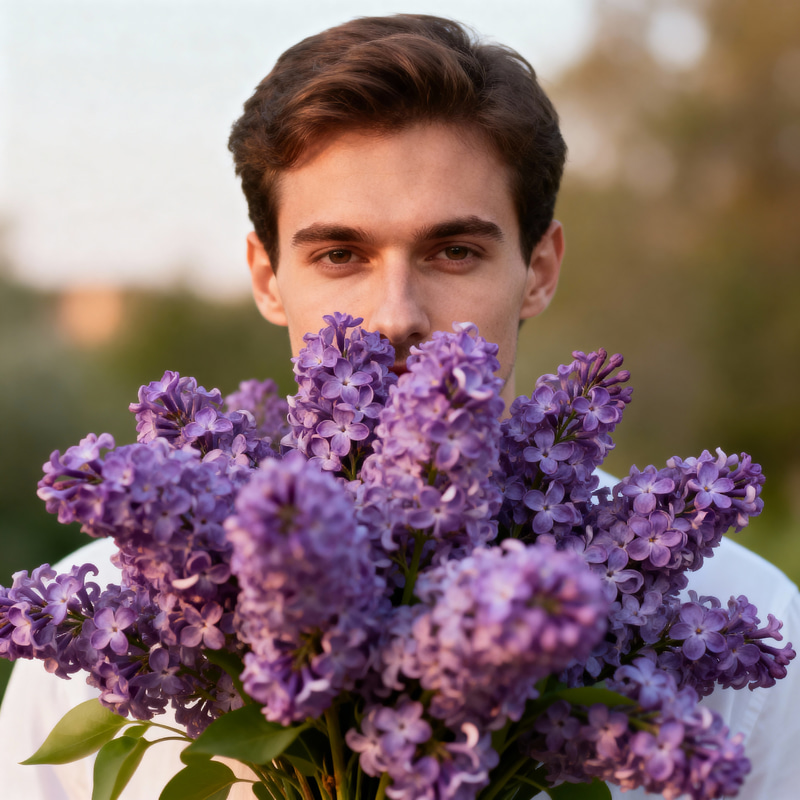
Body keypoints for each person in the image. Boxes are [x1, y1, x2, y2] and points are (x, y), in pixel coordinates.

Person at [1, 13, 798, 799]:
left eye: (455, 251)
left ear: (541, 269)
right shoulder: (91, 652)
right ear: (267, 277)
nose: (395, 315)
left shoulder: (754, 631)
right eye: (339, 254)